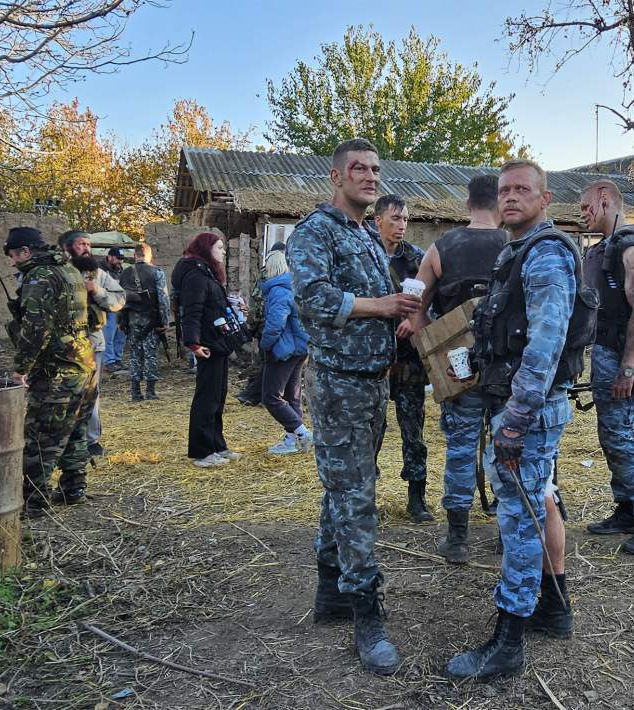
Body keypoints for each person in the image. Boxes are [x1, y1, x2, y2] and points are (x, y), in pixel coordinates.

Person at [446, 159, 594, 679]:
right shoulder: (519, 251)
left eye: (522, 190)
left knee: (519, 521)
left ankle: (508, 642)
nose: (510, 197)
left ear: (544, 199)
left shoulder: (545, 256)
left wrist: (515, 419)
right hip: (524, 405)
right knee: (539, 503)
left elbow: (545, 345)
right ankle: (554, 610)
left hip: (526, 410)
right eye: (504, 190)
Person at [287, 138, 421, 676]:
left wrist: (400, 314)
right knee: (356, 496)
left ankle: (330, 590)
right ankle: (368, 612)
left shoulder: (366, 235)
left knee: (342, 489)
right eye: (359, 169)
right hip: (339, 385)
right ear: (336, 176)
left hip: (373, 383)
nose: (370, 177)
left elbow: (369, 305)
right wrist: (381, 305)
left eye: (376, 170)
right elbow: (313, 299)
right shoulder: (314, 232)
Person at [403, 174, 508, 562]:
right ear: (499, 203)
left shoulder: (441, 247)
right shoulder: (515, 244)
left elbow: (412, 306)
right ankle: (506, 533)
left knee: (461, 446)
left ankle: (458, 539)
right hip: (506, 366)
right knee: (507, 446)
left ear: (466, 205)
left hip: (458, 364)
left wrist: (436, 342)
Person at [578, 180, 634, 555]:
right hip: (604, 354)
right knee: (610, 437)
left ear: (604, 200)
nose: (582, 214)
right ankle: (627, 508)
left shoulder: (631, 245)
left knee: (619, 437)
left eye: (586, 207)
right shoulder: (602, 249)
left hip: (621, 358)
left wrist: (628, 368)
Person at [4, 227, 96, 516]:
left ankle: (33, 503)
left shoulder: (39, 277)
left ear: (26, 252)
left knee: (40, 437)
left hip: (58, 369)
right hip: (83, 363)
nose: (11, 262)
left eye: (13, 255)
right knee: (74, 429)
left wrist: (21, 369)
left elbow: (36, 329)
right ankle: (73, 488)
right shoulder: (67, 270)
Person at [373, 194, 433, 523]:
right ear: (378, 220)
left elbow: (432, 297)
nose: (401, 226)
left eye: (405, 219)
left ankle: (417, 499)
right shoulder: (365, 256)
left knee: (414, 431)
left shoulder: (417, 259)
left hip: (409, 361)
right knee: (372, 430)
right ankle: (366, 495)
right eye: (395, 219)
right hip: (374, 361)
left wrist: (416, 320)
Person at [172, 232, 243, 467]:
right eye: (219, 247)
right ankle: (201, 451)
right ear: (206, 249)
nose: (223, 251)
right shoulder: (195, 275)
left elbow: (213, 304)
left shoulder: (208, 273)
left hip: (219, 343)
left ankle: (217, 445)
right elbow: (192, 312)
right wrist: (193, 344)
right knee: (206, 397)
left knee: (218, 395)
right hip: (208, 345)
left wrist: (231, 303)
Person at [59, 230, 125, 458]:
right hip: (62, 345)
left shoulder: (97, 273)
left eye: (88, 243)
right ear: (66, 248)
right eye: (80, 244)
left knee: (91, 393)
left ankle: (91, 440)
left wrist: (96, 291)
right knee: (61, 393)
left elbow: (119, 299)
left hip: (92, 342)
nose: (86, 248)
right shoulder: (55, 272)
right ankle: (62, 440)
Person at [260, 248, 313, 454]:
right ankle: (293, 440)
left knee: (271, 396)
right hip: (299, 348)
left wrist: (266, 345)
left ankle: (301, 433)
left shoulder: (278, 289)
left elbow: (275, 323)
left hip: (284, 350)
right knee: (292, 396)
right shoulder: (294, 286)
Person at [119, 243, 170, 402]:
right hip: (151, 321)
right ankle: (150, 392)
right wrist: (165, 320)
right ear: (149, 256)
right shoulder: (157, 272)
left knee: (134, 355)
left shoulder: (125, 273)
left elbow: (119, 298)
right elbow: (163, 299)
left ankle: (135, 393)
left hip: (132, 321)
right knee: (151, 356)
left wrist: (121, 320)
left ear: (135, 255)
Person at [103, 247, 127, 371]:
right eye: (118, 259)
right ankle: (109, 361)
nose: (120, 262)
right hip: (108, 307)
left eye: (122, 259)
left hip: (121, 306)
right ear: (110, 257)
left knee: (120, 335)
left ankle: (118, 359)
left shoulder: (120, 270)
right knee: (108, 335)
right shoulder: (101, 270)